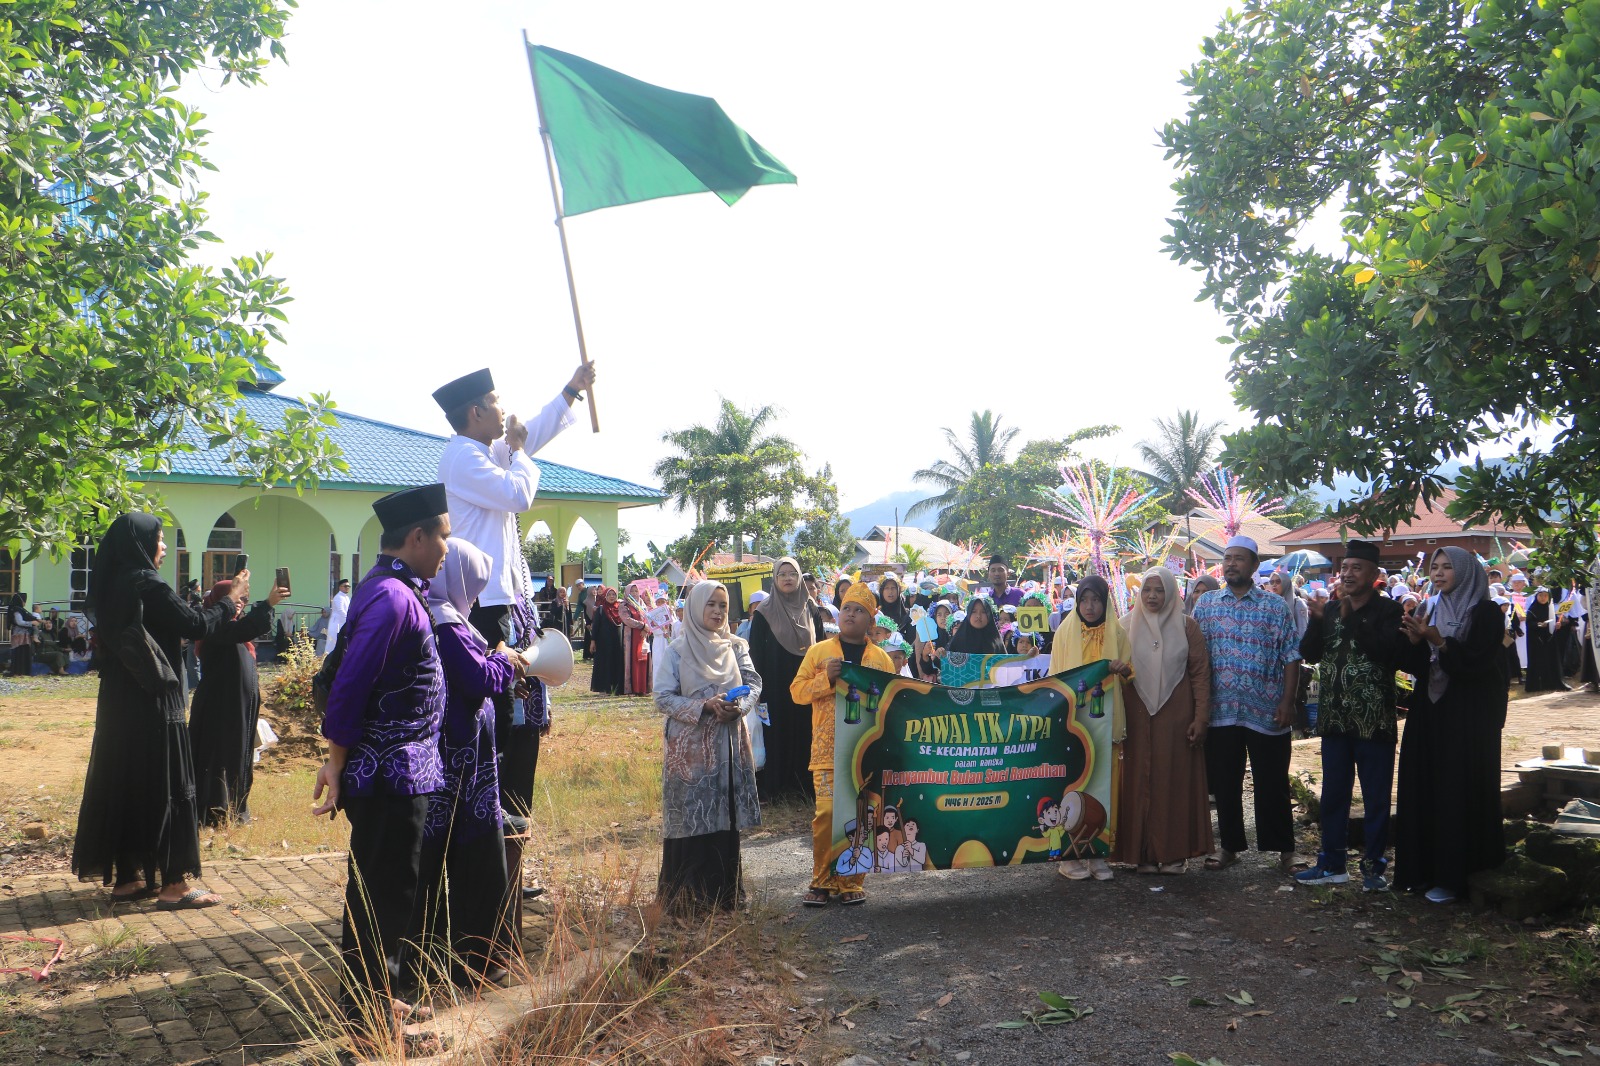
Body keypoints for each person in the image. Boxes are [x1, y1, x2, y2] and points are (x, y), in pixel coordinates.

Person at [312, 484, 451, 1040]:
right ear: (416, 538)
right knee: (384, 895)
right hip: (391, 776)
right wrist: (335, 761)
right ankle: (370, 1022)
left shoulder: (384, 589)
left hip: (396, 775)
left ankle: (378, 1002)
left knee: (384, 891)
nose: (446, 546)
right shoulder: (394, 598)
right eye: (442, 535)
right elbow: (347, 684)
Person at [435, 365, 593, 830]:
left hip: (502, 599)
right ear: (476, 411)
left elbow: (532, 435)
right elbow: (518, 493)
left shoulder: (483, 450)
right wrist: (520, 451)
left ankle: (503, 808)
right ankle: (490, 808)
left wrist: (570, 392)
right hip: (482, 604)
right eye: (497, 401)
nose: (505, 410)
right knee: (499, 706)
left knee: (514, 705)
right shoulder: (463, 458)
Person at [71, 513, 247, 908]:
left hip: (118, 700)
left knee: (127, 780)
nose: (165, 546)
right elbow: (196, 623)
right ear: (141, 543)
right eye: (161, 539)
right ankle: (174, 885)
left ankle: (129, 879)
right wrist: (230, 599)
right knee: (165, 782)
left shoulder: (111, 584)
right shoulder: (146, 582)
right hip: (153, 697)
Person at [418, 538, 524, 987]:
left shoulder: (445, 617)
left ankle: (453, 957)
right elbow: (476, 676)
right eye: (474, 586)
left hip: (460, 759)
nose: (477, 597)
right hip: (459, 763)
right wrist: (504, 661)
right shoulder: (446, 623)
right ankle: (477, 962)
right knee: (472, 858)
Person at [1395, 546, 1508, 904]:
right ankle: (1422, 870)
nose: (1439, 573)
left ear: (1466, 571)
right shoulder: (1429, 607)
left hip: (1467, 718)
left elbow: (1476, 664)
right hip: (1430, 711)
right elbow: (1419, 666)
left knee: (1456, 789)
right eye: (1435, 567)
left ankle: (1454, 876)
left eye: (1447, 567)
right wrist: (1415, 643)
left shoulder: (1486, 612)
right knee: (1425, 783)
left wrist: (1439, 641)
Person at [1292, 541, 1407, 892]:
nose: (1348, 573)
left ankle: (1374, 869)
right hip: (1335, 720)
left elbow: (1387, 652)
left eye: (1357, 568)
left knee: (1375, 798)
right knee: (1334, 796)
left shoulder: (1389, 611)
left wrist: (1352, 618)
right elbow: (1309, 652)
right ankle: (1332, 864)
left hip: (1374, 721)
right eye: (1345, 567)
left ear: (1374, 575)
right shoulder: (1329, 611)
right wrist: (1315, 620)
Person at [653, 580, 763, 912]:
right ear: (696, 607)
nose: (717, 611)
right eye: (710, 604)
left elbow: (753, 682)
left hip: (728, 742)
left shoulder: (736, 646)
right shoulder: (677, 649)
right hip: (690, 750)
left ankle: (724, 895)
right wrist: (703, 705)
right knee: (690, 816)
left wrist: (740, 708)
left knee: (723, 816)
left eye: (723, 606)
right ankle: (684, 899)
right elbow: (663, 697)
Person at [1192, 536, 1300, 873]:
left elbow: (1291, 656)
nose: (1231, 564)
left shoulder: (1274, 606)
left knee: (1273, 782)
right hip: (1221, 712)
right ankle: (1229, 847)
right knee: (1225, 783)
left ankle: (1285, 850)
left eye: (1239, 559)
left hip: (1267, 711)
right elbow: (1192, 658)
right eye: (1227, 559)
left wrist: (1287, 701)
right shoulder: (1206, 605)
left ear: (1254, 566)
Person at [790, 582, 894, 907]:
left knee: (860, 815)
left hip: (865, 753)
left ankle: (851, 880)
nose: (851, 614)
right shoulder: (819, 652)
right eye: (847, 608)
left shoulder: (880, 659)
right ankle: (821, 881)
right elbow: (796, 692)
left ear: (870, 621)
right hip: (826, 751)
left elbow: (892, 701)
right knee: (826, 814)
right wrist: (826, 680)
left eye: (859, 610)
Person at [1115, 567, 1213, 875]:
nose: (1153, 596)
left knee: (1173, 779)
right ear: (1139, 593)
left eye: (1159, 590)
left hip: (1176, 714)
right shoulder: (1124, 626)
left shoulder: (1187, 627)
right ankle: (1139, 853)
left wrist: (1201, 717)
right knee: (1135, 779)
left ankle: (1172, 854)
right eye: (1147, 590)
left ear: (1171, 593)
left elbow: (1199, 675)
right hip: (1135, 712)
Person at [1047, 575, 1131, 881]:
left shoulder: (1118, 634)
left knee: (1104, 786)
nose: (1090, 606)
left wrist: (1123, 670)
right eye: (1084, 600)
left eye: (1096, 600)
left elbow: (1130, 672)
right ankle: (1069, 857)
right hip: (1075, 724)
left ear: (1105, 601)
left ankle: (1098, 853)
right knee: (1075, 785)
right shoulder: (1065, 633)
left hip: (1106, 724)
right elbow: (1057, 678)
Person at [190, 577, 287, 827]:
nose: (240, 603)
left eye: (243, 599)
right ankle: (213, 812)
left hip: (237, 706)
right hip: (219, 705)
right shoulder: (215, 628)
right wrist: (268, 603)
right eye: (235, 598)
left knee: (237, 755)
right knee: (217, 756)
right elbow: (245, 630)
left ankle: (234, 808)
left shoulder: (233, 628)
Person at [748, 557, 826, 801]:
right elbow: (755, 652)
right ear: (775, 579)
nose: (788, 578)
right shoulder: (764, 612)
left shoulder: (811, 608)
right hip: (775, 684)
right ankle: (776, 785)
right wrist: (756, 686)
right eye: (782, 574)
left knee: (806, 730)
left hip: (807, 683)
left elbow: (823, 645)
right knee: (777, 731)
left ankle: (804, 784)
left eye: (793, 573)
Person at [1525, 588, 1574, 693]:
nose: (1543, 598)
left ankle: (1552, 682)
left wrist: (1558, 624)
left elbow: (1554, 621)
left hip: (1549, 640)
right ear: (1536, 596)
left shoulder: (1550, 609)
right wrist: (1539, 625)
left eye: (1545, 596)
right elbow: (1530, 623)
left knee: (1551, 660)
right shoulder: (1532, 609)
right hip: (1537, 641)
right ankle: (1537, 684)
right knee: (1538, 662)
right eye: (1541, 596)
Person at [589, 586, 626, 696]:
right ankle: (603, 688)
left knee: (616, 663)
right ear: (605, 596)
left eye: (613, 595)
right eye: (609, 594)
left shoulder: (620, 608)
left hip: (617, 641)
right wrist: (593, 641)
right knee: (604, 664)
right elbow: (595, 626)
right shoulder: (601, 609)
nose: (611, 597)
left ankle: (616, 688)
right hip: (603, 642)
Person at [620, 589, 650, 695]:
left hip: (643, 636)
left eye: (636, 591)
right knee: (633, 660)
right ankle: (633, 688)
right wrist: (642, 626)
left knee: (643, 659)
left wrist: (646, 630)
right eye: (631, 591)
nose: (634, 593)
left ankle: (643, 688)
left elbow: (648, 618)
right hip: (631, 637)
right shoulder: (624, 605)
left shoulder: (642, 605)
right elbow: (626, 619)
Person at [914, 601, 952, 682]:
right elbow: (927, 670)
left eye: (947, 614)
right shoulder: (931, 638)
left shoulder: (956, 636)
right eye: (939, 614)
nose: (943, 618)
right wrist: (925, 655)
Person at [876, 573, 914, 642]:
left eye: (893, 588)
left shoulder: (909, 615)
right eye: (886, 588)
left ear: (898, 590)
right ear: (882, 591)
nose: (890, 592)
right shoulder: (876, 615)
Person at [8, 592, 36, 676]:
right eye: (24, 601)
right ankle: (18, 672)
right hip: (19, 635)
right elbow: (19, 622)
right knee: (19, 653)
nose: (25, 603)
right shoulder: (17, 609)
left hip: (23, 635)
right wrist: (32, 623)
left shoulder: (20, 609)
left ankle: (23, 672)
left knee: (24, 653)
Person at [325, 578, 351, 653]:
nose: (347, 588)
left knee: (341, 644)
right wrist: (349, 619)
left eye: (348, 586)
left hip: (343, 623)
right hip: (336, 624)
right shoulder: (338, 597)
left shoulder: (347, 598)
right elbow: (341, 611)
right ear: (340, 587)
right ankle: (327, 661)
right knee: (332, 643)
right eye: (345, 586)